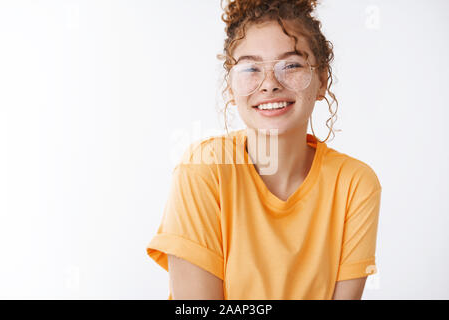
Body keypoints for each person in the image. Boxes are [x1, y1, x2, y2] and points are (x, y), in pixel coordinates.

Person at [146, 0, 382, 300]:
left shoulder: (355, 183)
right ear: (231, 88)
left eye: (291, 65)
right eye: (251, 68)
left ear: (322, 80)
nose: (270, 84)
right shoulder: (205, 168)